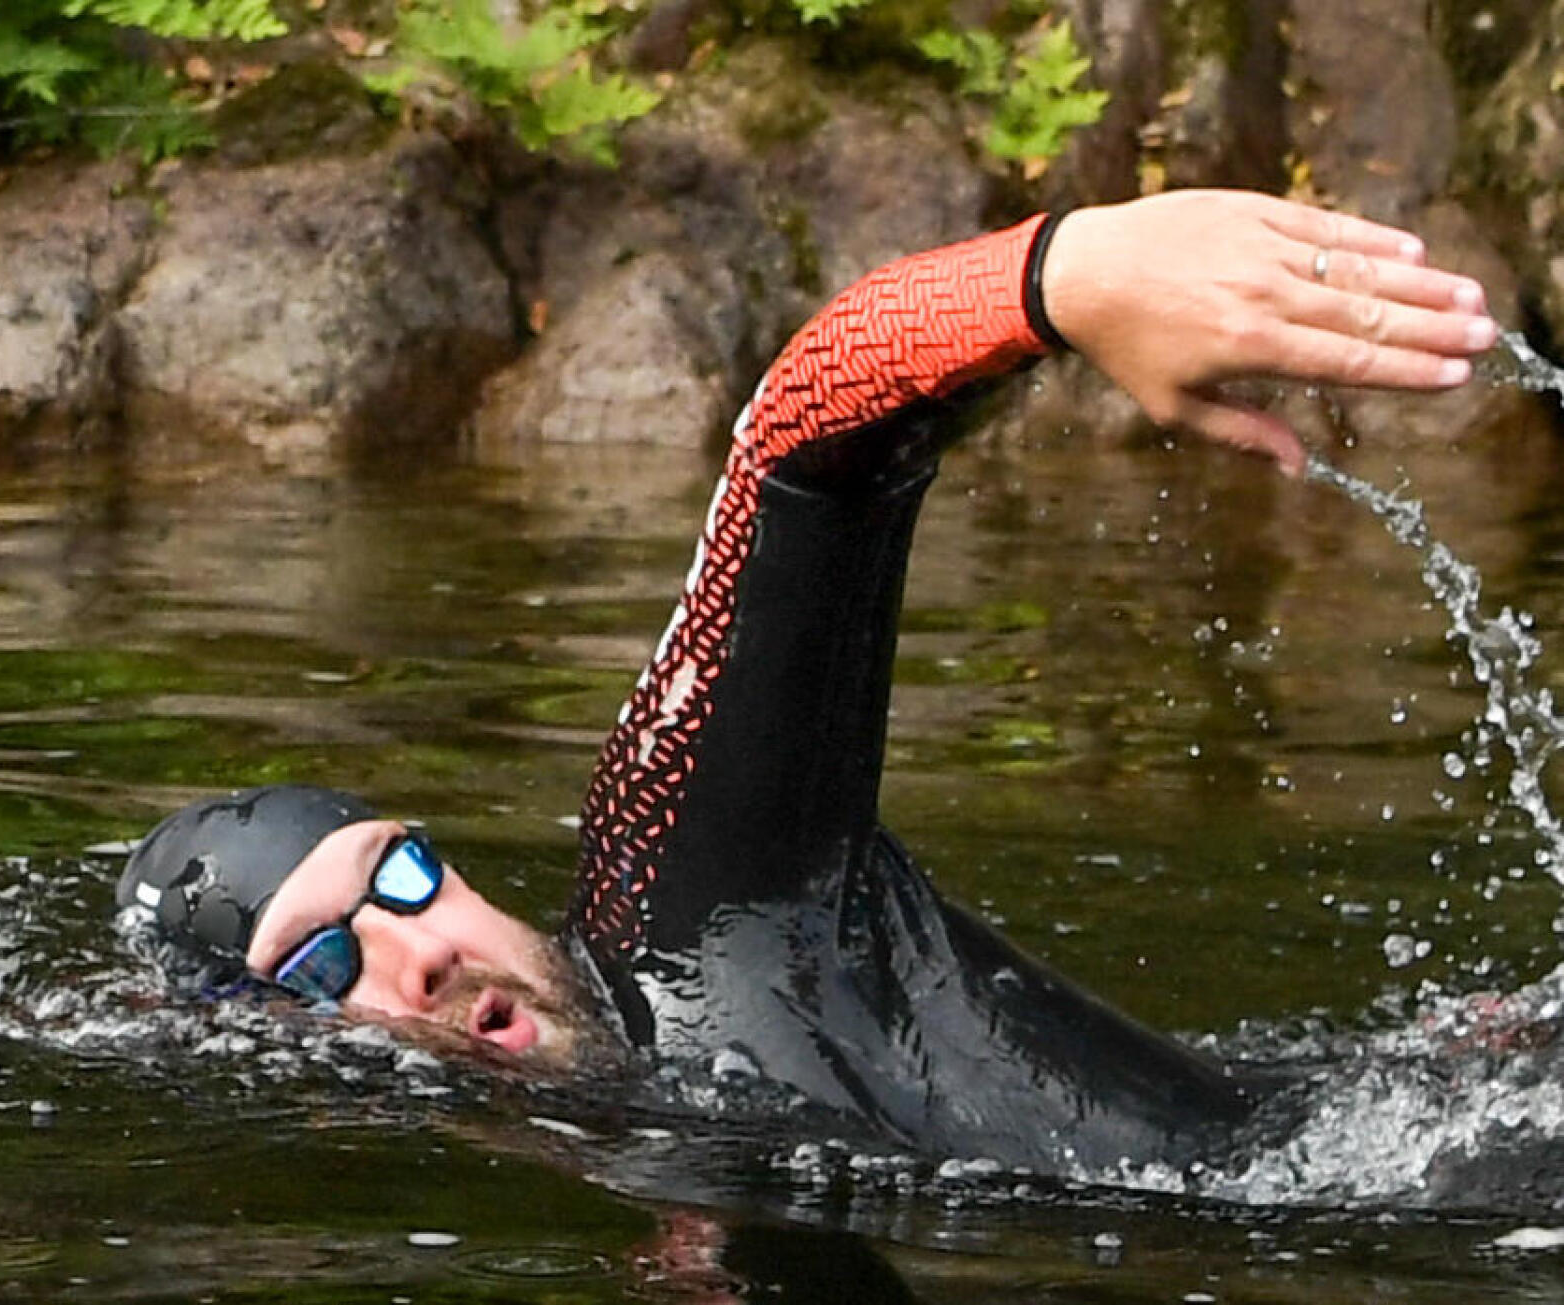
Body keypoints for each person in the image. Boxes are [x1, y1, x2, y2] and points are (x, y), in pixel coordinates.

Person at [117, 189, 1499, 1173]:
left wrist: (1067, 275)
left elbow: (802, 438)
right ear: (274, 1048)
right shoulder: (647, 1162)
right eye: (322, 957)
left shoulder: (684, 907)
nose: (418, 947)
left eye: (401, 876)